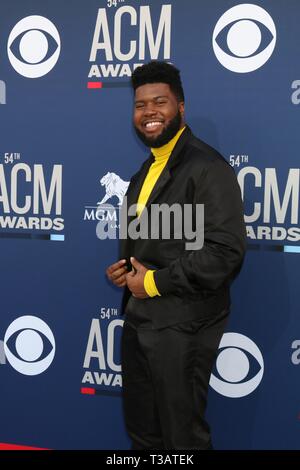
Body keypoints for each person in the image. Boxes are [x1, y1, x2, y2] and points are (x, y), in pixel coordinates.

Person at [106, 61, 246, 450]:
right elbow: (154, 246)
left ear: (180, 108)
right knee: (144, 435)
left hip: (184, 326)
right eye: (140, 105)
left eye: (159, 102)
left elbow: (224, 253)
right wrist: (127, 271)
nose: (148, 112)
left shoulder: (207, 167)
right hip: (140, 322)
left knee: (182, 440)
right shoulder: (143, 172)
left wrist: (150, 282)